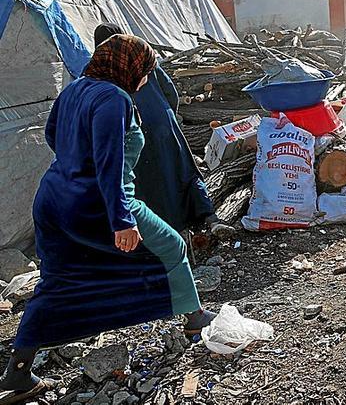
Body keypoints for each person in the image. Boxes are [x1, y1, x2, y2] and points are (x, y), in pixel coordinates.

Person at [0, 35, 215, 404]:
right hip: (98, 201)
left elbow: (52, 135)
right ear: (130, 68)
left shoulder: (76, 88)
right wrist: (121, 220)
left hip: (52, 199)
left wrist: (74, 165)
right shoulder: (115, 99)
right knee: (170, 245)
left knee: (58, 279)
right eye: (146, 71)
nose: (147, 78)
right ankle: (195, 320)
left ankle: (18, 373)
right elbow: (109, 163)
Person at [93, 24, 232, 238]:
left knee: (151, 182)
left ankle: (174, 230)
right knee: (183, 169)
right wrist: (168, 117)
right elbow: (170, 92)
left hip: (134, 129)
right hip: (163, 121)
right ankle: (210, 218)